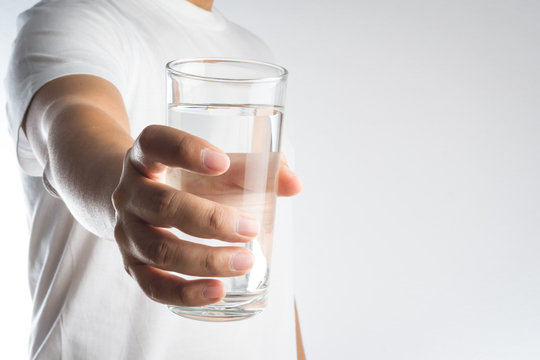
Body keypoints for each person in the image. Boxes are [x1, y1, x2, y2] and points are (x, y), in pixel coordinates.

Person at [5, 0, 305, 358]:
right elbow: (70, 128)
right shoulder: (74, 16)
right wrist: (124, 196)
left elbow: (271, 269)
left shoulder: (254, 51)